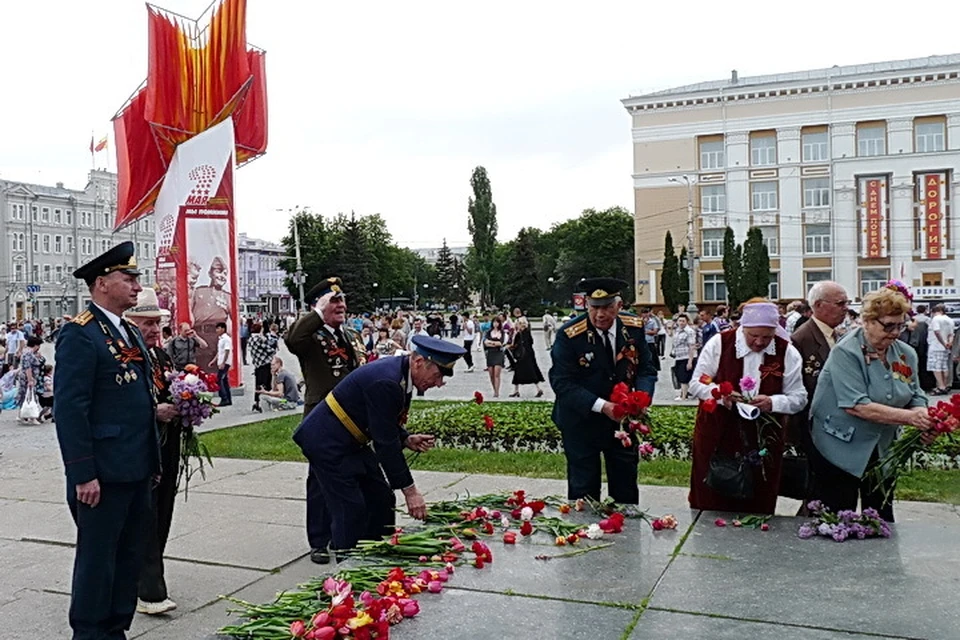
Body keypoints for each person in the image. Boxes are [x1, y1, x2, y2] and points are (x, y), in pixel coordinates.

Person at [53, 241, 160, 640]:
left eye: (136, 278)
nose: (136, 285)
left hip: (136, 467)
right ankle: (90, 632)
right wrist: (82, 474)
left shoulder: (129, 331)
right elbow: (70, 408)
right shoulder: (80, 335)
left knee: (129, 558)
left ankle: (116, 628)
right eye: (127, 278)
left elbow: (137, 398)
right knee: (99, 561)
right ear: (101, 284)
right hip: (101, 475)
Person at [292, 335, 465, 551]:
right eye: (438, 375)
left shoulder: (401, 374)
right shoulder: (388, 381)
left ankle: (377, 552)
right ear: (419, 362)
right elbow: (385, 445)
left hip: (351, 439)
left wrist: (405, 438)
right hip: (327, 442)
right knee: (350, 508)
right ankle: (347, 567)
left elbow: (382, 420)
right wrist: (411, 492)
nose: (439, 384)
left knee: (381, 498)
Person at [809, 288, 931, 522]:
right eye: (888, 326)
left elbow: (916, 394)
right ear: (867, 321)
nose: (895, 333)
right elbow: (856, 405)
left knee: (880, 518)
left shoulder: (905, 354)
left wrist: (922, 417)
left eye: (900, 325)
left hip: (883, 447)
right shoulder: (846, 352)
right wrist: (909, 418)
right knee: (837, 517)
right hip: (840, 445)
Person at [688, 301, 807, 515]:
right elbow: (698, 382)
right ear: (743, 329)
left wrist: (772, 402)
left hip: (763, 439)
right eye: (753, 336)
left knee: (759, 496)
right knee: (711, 496)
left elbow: (799, 398)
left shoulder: (786, 351)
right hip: (718, 434)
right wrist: (719, 394)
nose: (760, 342)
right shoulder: (720, 343)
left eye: (767, 337)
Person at [549, 278, 657, 506]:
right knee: (584, 491)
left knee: (625, 485)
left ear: (619, 306)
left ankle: (627, 535)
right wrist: (602, 406)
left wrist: (642, 399)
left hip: (622, 419)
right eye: (594, 307)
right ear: (586, 305)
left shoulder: (633, 328)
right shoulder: (570, 335)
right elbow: (562, 383)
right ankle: (587, 534)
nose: (600, 315)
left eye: (607, 307)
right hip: (581, 419)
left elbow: (646, 368)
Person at [285, 277, 366, 564]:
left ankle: (342, 532)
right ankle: (318, 540)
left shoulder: (351, 336)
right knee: (319, 480)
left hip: (352, 418)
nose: (341, 305)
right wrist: (318, 314)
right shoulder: (311, 336)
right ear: (317, 305)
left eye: (342, 299)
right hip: (323, 416)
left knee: (351, 475)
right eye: (333, 301)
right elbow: (293, 339)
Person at [124, 288, 181, 616]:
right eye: (146, 323)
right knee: (145, 516)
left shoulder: (161, 356)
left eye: (157, 323)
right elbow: (119, 406)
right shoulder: (126, 358)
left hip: (168, 445)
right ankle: (150, 591)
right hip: (140, 449)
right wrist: (153, 412)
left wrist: (189, 406)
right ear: (131, 324)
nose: (154, 330)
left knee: (162, 512)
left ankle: (143, 576)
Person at [787, 281, 850, 506]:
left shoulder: (839, 336)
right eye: (840, 303)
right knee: (817, 483)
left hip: (837, 422)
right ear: (819, 305)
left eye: (847, 303)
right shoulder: (801, 339)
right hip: (813, 423)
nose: (846, 308)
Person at [192, 257, 230, 372]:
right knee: (198, 372)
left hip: (216, 337)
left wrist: (223, 347)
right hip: (198, 336)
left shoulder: (228, 297)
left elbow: (232, 325)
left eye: (225, 273)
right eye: (218, 271)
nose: (222, 276)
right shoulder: (198, 291)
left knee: (215, 374)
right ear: (210, 273)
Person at [508, 317, 545, 398]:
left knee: (524, 371)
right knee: (529, 371)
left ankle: (536, 389)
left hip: (523, 355)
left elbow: (516, 344)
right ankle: (518, 390)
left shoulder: (522, 333)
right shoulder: (526, 332)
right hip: (528, 354)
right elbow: (530, 342)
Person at [16, 335, 45, 424]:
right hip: (27, 377)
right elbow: (28, 367)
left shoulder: (27, 352)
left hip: (27, 376)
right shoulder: (28, 353)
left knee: (26, 395)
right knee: (28, 395)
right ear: (35, 345)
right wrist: (30, 379)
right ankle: (31, 417)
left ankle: (23, 415)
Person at [249, 323, 277, 413]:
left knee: (258, 383)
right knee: (266, 384)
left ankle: (256, 402)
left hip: (257, 364)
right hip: (264, 363)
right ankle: (266, 403)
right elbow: (269, 350)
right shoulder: (259, 339)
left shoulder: (251, 339)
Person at [927, 303, 954, 395]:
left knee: (936, 367)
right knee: (944, 366)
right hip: (946, 347)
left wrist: (943, 343)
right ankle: (945, 385)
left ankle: (941, 386)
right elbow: (951, 334)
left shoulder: (936, 319)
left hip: (936, 346)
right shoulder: (950, 320)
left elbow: (937, 332)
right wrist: (948, 343)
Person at [671, 314, 697, 400]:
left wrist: (690, 361)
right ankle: (684, 393)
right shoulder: (678, 330)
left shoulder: (689, 331)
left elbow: (691, 346)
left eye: (683, 321)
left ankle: (683, 396)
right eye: (680, 321)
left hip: (686, 356)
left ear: (687, 322)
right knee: (679, 375)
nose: (681, 323)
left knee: (684, 377)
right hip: (678, 356)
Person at [209, 322, 232, 406]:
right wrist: (213, 361)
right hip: (221, 362)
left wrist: (223, 362)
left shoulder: (226, 339)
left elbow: (227, 351)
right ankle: (228, 399)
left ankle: (224, 398)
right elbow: (219, 352)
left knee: (219, 380)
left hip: (225, 363)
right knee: (225, 381)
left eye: (218, 328)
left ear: (223, 329)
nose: (216, 330)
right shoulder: (221, 339)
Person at [483, 316, 507, 398]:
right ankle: (494, 389)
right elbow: (485, 342)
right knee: (491, 374)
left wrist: (491, 343)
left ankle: (497, 392)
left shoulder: (502, 332)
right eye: (494, 322)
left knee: (496, 373)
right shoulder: (489, 332)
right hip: (490, 354)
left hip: (498, 353)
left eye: (497, 322)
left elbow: (501, 343)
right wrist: (494, 343)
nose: (495, 324)